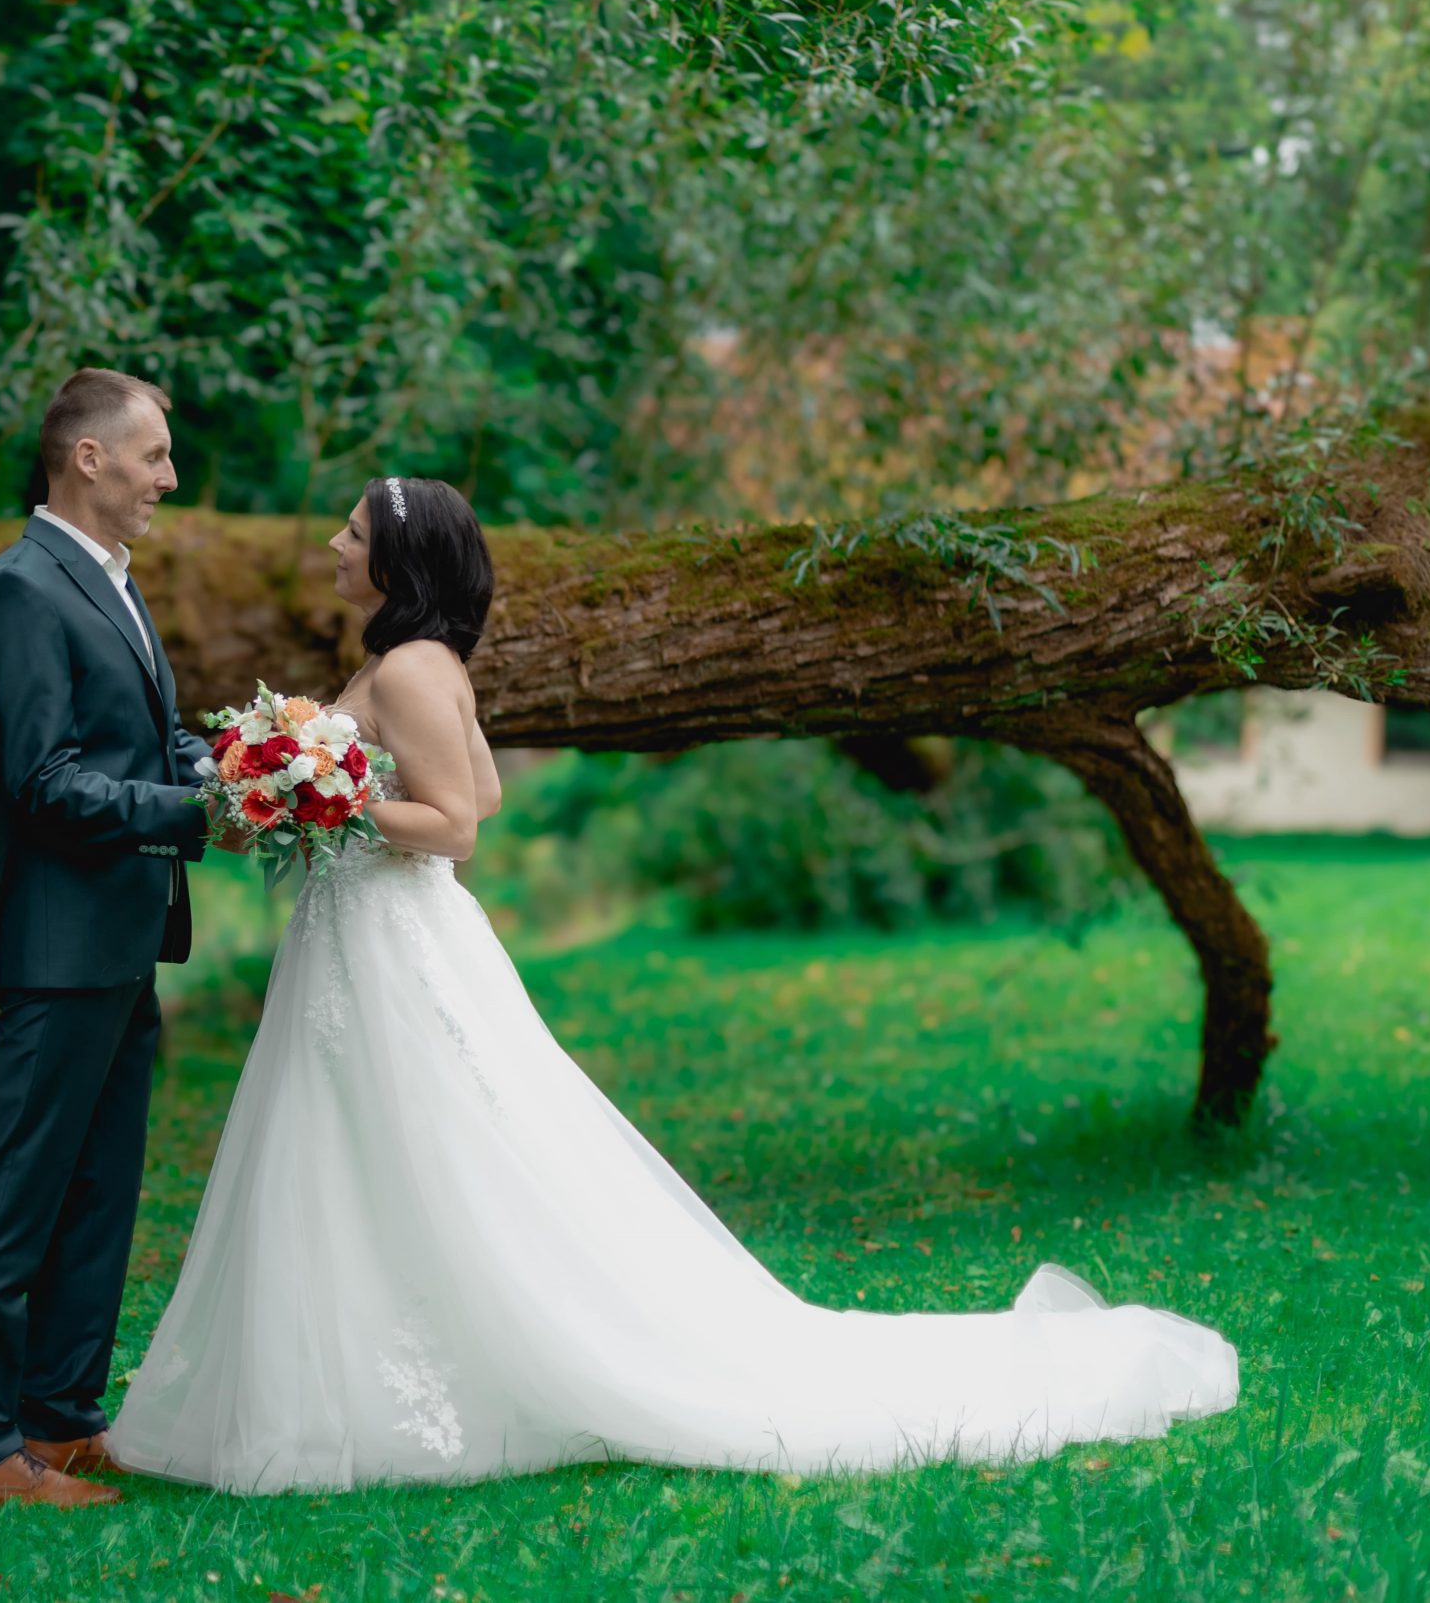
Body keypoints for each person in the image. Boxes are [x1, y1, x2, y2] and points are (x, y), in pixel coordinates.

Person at [107, 473, 1241, 1493]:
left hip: (386, 936)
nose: (335, 546)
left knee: (406, 1136)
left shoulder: (405, 668)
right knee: (376, 1139)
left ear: (397, 563)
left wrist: (330, 796)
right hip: (374, 933)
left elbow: (456, 826)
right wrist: (315, 781)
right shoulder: (418, 661)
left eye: (353, 534)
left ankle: (398, 1377)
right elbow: (487, 788)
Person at [0, 367, 226, 1509]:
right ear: (88, 457)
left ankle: (59, 1420)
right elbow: (42, 783)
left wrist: (234, 766)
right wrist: (193, 810)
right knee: (15, 1202)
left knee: (99, 1195)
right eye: (154, 455)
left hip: (122, 937)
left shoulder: (107, 578)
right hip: (58, 948)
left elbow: (145, 738)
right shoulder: (19, 591)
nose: (169, 477)